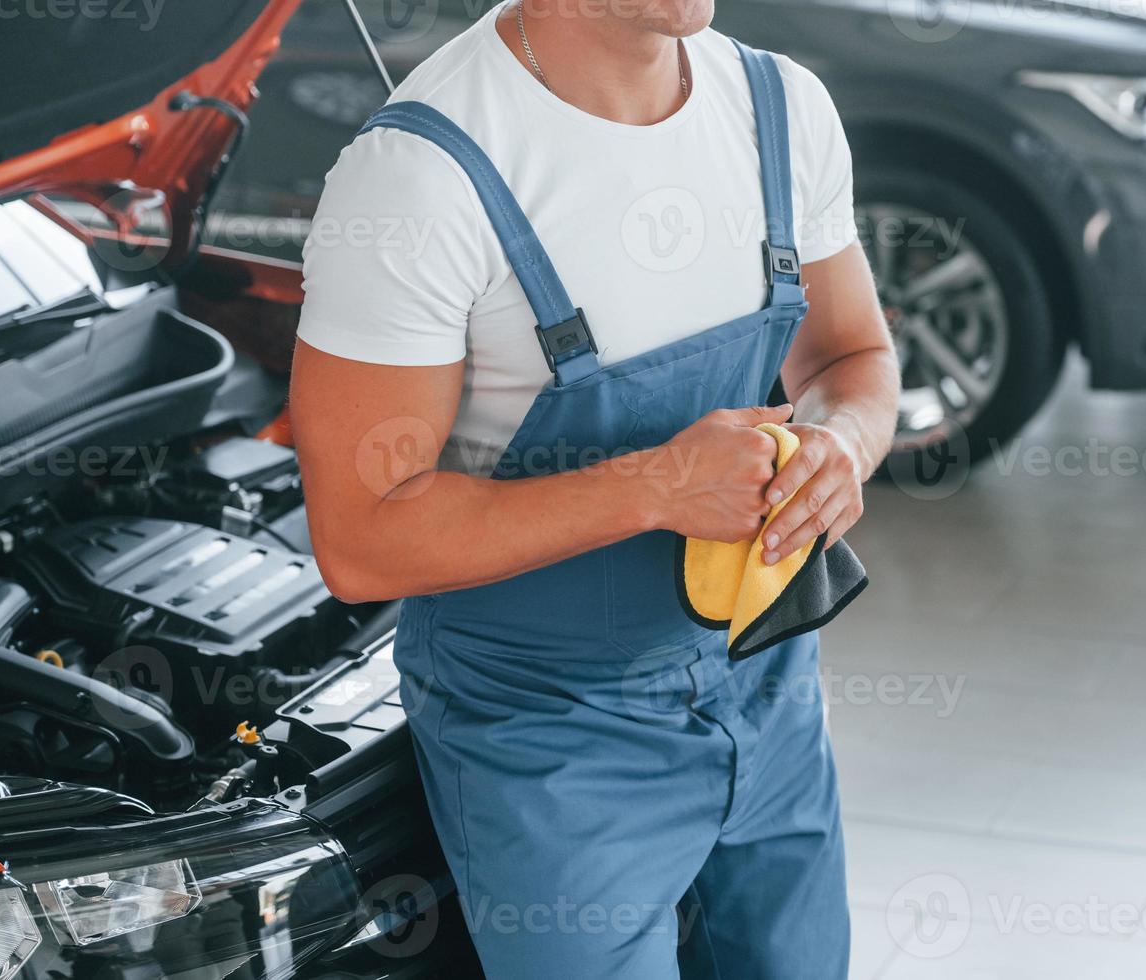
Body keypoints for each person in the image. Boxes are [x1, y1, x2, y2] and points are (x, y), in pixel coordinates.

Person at [289, 0, 898, 975]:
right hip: (549, 731)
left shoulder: (783, 108)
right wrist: (657, 485)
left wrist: (839, 442)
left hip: (766, 673)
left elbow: (852, 355)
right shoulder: (416, 177)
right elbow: (361, 540)